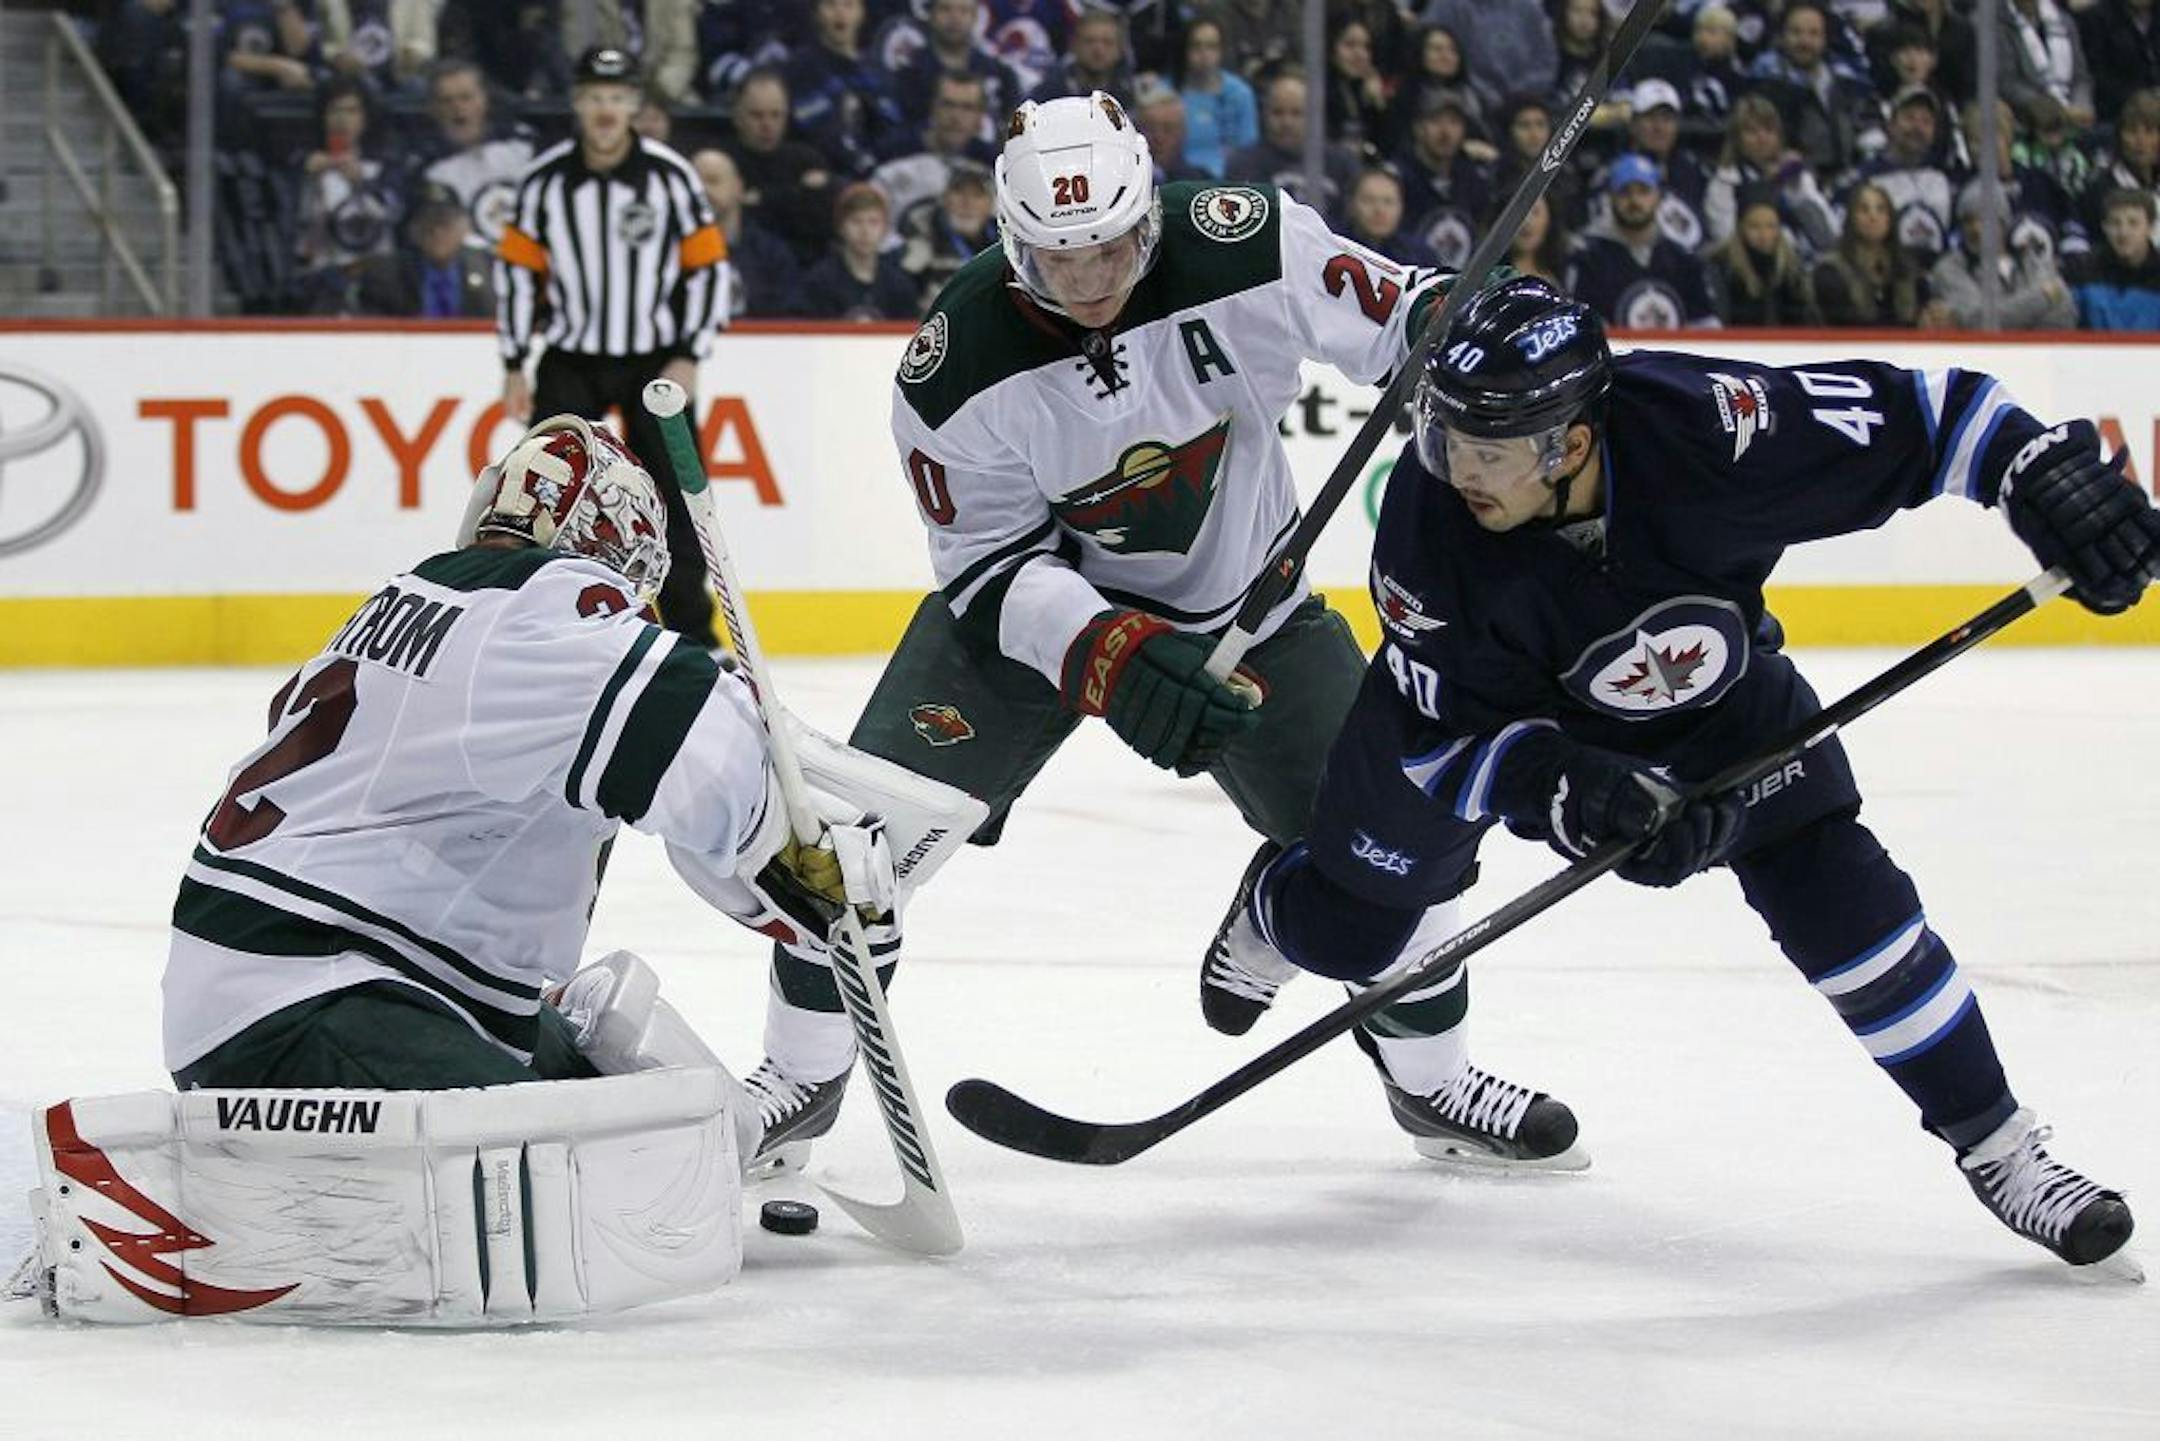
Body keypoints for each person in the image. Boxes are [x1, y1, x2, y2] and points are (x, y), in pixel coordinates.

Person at [1205, 274, 2152, 1268]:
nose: (1452, 466)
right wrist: (1563, 789)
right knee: (1350, 927)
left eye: (1483, 449)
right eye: (1444, 435)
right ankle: (1273, 905)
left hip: (1711, 701)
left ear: (1569, 443)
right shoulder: (1425, 524)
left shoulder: (1713, 431)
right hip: (1479, 723)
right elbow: (1447, 740)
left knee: (1843, 897)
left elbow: (1940, 417)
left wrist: (2047, 477)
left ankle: (1998, 1145)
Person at [746, 91, 1580, 1172]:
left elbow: (1395, 316)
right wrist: (1108, 653)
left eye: (1111, 247)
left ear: (1151, 211)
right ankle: (798, 1078)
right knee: (851, 837)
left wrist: (1472, 334)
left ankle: (1430, 1081)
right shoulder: (952, 371)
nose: (1089, 280)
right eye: (1056, 260)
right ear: (1010, 243)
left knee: (1397, 834)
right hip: (1028, 628)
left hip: (1252, 606)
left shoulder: (1247, 242)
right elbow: (991, 568)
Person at [19, 414, 972, 1325]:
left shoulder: (428, 595)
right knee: (616, 1197)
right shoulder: (548, 611)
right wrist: (801, 859)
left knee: (663, 1117)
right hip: (316, 999)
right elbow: (692, 745)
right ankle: (183, 1225)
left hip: (354, 981)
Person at [496, 46, 733, 648]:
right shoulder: (545, 182)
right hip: (571, 355)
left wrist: (691, 352)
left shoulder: (670, 177)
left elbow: (707, 269)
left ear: (634, 104)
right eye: (595, 97)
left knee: (678, 499)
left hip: (656, 357)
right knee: (542, 495)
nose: (606, 110)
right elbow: (518, 275)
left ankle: (691, 637)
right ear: (578, 103)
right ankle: (539, 628)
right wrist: (515, 360)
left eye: (617, 97)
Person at [1569, 153, 1721, 330]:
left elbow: (1706, 325)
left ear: (1659, 197)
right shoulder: (1589, 261)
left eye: (1644, 191)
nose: (1635, 201)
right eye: (1625, 192)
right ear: (1610, 197)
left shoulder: (1685, 261)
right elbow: (1584, 326)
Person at [409, 59, 535, 248]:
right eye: (447, 101)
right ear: (433, 109)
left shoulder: (522, 145)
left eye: (466, 98)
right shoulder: (426, 168)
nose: (458, 108)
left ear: (484, 100)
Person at [1930, 180, 2078, 329]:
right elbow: (1978, 320)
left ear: (2003, 222)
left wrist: (2006, 317)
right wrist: (2044, 297)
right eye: (1968, 221)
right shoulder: (1949, 269)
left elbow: (2064, 317)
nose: (1976, 228)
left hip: (2041, 352)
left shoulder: (2032, 261)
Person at [1812, 179, 1948, 326]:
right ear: (1851, 218)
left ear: (1890, 219)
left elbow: (1925, 308)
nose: (1873, 217)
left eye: (1881, 210)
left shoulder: (1908, 268)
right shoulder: (1830, 271)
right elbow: (1846, 325)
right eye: (1864, 210)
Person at [349, 182, 495, 318]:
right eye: (428, 221)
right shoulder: (384, 276)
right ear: (412, 229)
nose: (437, 232)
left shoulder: (491, 270)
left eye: (445, 222)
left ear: (465, 227)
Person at [692, 146, 802, 318]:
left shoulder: (772, 256)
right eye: (695, 184)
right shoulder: (668, 252)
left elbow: (787, 321)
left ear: (738, 187)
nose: (703, 191)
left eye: (713, 180)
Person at [801, 182, 922, 320]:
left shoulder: (899, 284)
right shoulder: (820, 282)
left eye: (873, 222)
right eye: (856, 222)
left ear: (884, 229)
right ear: (841, 227)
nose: (865, 232)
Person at [1707, 184, 1819, 324]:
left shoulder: (1792, 267)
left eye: (1771, 226)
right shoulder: (1720, 266)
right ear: (1740, 227)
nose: (1764, 235)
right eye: (1754, 227)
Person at [1177, 16, 1258, 179]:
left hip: (1229, 181)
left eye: (1211, 47)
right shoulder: (1169, 94)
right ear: (1185, 50)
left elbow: (1249, 150)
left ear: (1221, 51)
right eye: (1196, 46)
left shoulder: (1241, 94)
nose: (1204, 54)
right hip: (1179, 180)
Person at [2069, 187, 2160, 327]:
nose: (2123, 233)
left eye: (2133, 223)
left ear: (2151, 227)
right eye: (2115, 223)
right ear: (2104, 227)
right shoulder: (2082, 271)